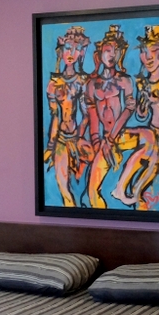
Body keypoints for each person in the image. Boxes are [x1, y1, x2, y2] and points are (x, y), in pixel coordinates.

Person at [112, 25, 159, 211]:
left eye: (154, 51)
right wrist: (142, 104)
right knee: (150, 155)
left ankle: (131, 192)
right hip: (151, 133)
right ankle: (123, 190)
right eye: (144, 52)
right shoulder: (142, 81)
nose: (148, 57)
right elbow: (141, 115)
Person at [84, 25, 136, 209]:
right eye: (107, 50)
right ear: (100, 54)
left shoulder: (124, 80)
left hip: (121, 136)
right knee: (92, 192)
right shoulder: (91, 84)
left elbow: (129, 109)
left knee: (150, 140)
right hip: (104, 140)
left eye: (116, 51)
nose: (111, 55)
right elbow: (93, 118)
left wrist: (111, 139)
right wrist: (98, 144)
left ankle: (124, 189)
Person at [44, 25, 93, 207]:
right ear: (61, 51)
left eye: (76, 48)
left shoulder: (83, 81)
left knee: (82, 188)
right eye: (67, 48)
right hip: (60, 140)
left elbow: (86, 115)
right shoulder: (53, 83)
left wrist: (79, 137)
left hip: (78, 138)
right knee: (63, 187)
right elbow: (55, 116)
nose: (71, 53)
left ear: (81, 52)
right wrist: (51, 145)